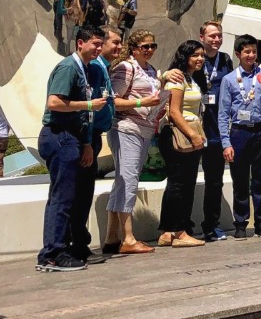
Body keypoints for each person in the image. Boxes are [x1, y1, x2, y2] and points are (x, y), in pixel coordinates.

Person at [37, 26, 108, 272]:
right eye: (95, 44)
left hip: (76, 137)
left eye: (101, 44)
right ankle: (53, 253)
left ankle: (73, 246)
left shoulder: (88, 69)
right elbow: (54, 102)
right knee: (62, 197)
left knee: (78, 196)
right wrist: (88, 104)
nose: (98, 49)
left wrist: (86, 143)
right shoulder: (69, 67)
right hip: (59, 135)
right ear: (80, 43)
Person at [104, 30, 164, 255]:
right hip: (126, 129)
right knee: (128, 181)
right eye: (145, 46)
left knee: (123, 181)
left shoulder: (149, 70)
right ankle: (128, 238)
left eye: (153, 46)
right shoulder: (125, 68)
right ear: (135, 48)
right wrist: (144, 101)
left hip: (144, 129)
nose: (149, 50)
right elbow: (113, 101)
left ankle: (112, 237)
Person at [68, 25, 120, 263]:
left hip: (92, 136)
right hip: (81, 137)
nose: (118, 47)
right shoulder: (89, 68)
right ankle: (74, 245)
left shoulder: (101, 68)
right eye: (113, 43)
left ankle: (80, 243)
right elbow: (60, 104)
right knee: (77, 193)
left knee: (84, 192)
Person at [219, 33, 261, 238]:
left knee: (260, 178)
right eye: (247, 52)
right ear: (238, 54)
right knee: (240, 179)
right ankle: (241, 223)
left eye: (254, 51)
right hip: (239, 132)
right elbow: (223, 113)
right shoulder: (229, 80)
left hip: (260, 130)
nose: (251, 55)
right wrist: (226, 143)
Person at [157, 41, 207, 247]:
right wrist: (193, 135)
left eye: (202, 55)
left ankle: (168, 231)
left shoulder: (192, 78)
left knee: (182, 183)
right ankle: (179, 231)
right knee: (180, 184)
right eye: (195, 55)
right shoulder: (177, 78)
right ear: (185, 56)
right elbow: (174, 111)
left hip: (191, 132)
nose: (200, 59)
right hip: (179, 134)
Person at [197, 20, 234, 242]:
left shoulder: (226, 60)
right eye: (212, 36)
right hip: (193, 128)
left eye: (219, 35)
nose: (217, 39)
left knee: (215, 181)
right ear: (202, 37)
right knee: (184, 179)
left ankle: (211, 226)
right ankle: (180, 226)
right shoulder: (194, 57)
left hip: (216, 129)